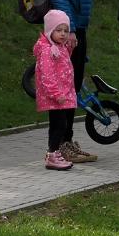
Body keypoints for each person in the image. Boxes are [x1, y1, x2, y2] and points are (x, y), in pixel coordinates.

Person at [45, 0, 97, 164]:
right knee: (65, 89)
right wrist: (70, 30)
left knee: (72, 87)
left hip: (77, 28)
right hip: (68, 32)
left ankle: (66, 142)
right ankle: (59, 146)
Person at [35, 10, 76, 171]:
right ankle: (53, 153)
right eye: (59, 30)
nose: (63, 34)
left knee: (59, 124)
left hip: (62, 94)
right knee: (59, 125)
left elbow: (63, 64)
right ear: (50, 30)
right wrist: (56, 94)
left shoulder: (58, 47)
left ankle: (53, 153)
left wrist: (70, 49)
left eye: (66, 30)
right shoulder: (47, 50)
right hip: (55, 96)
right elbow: (47, 75)